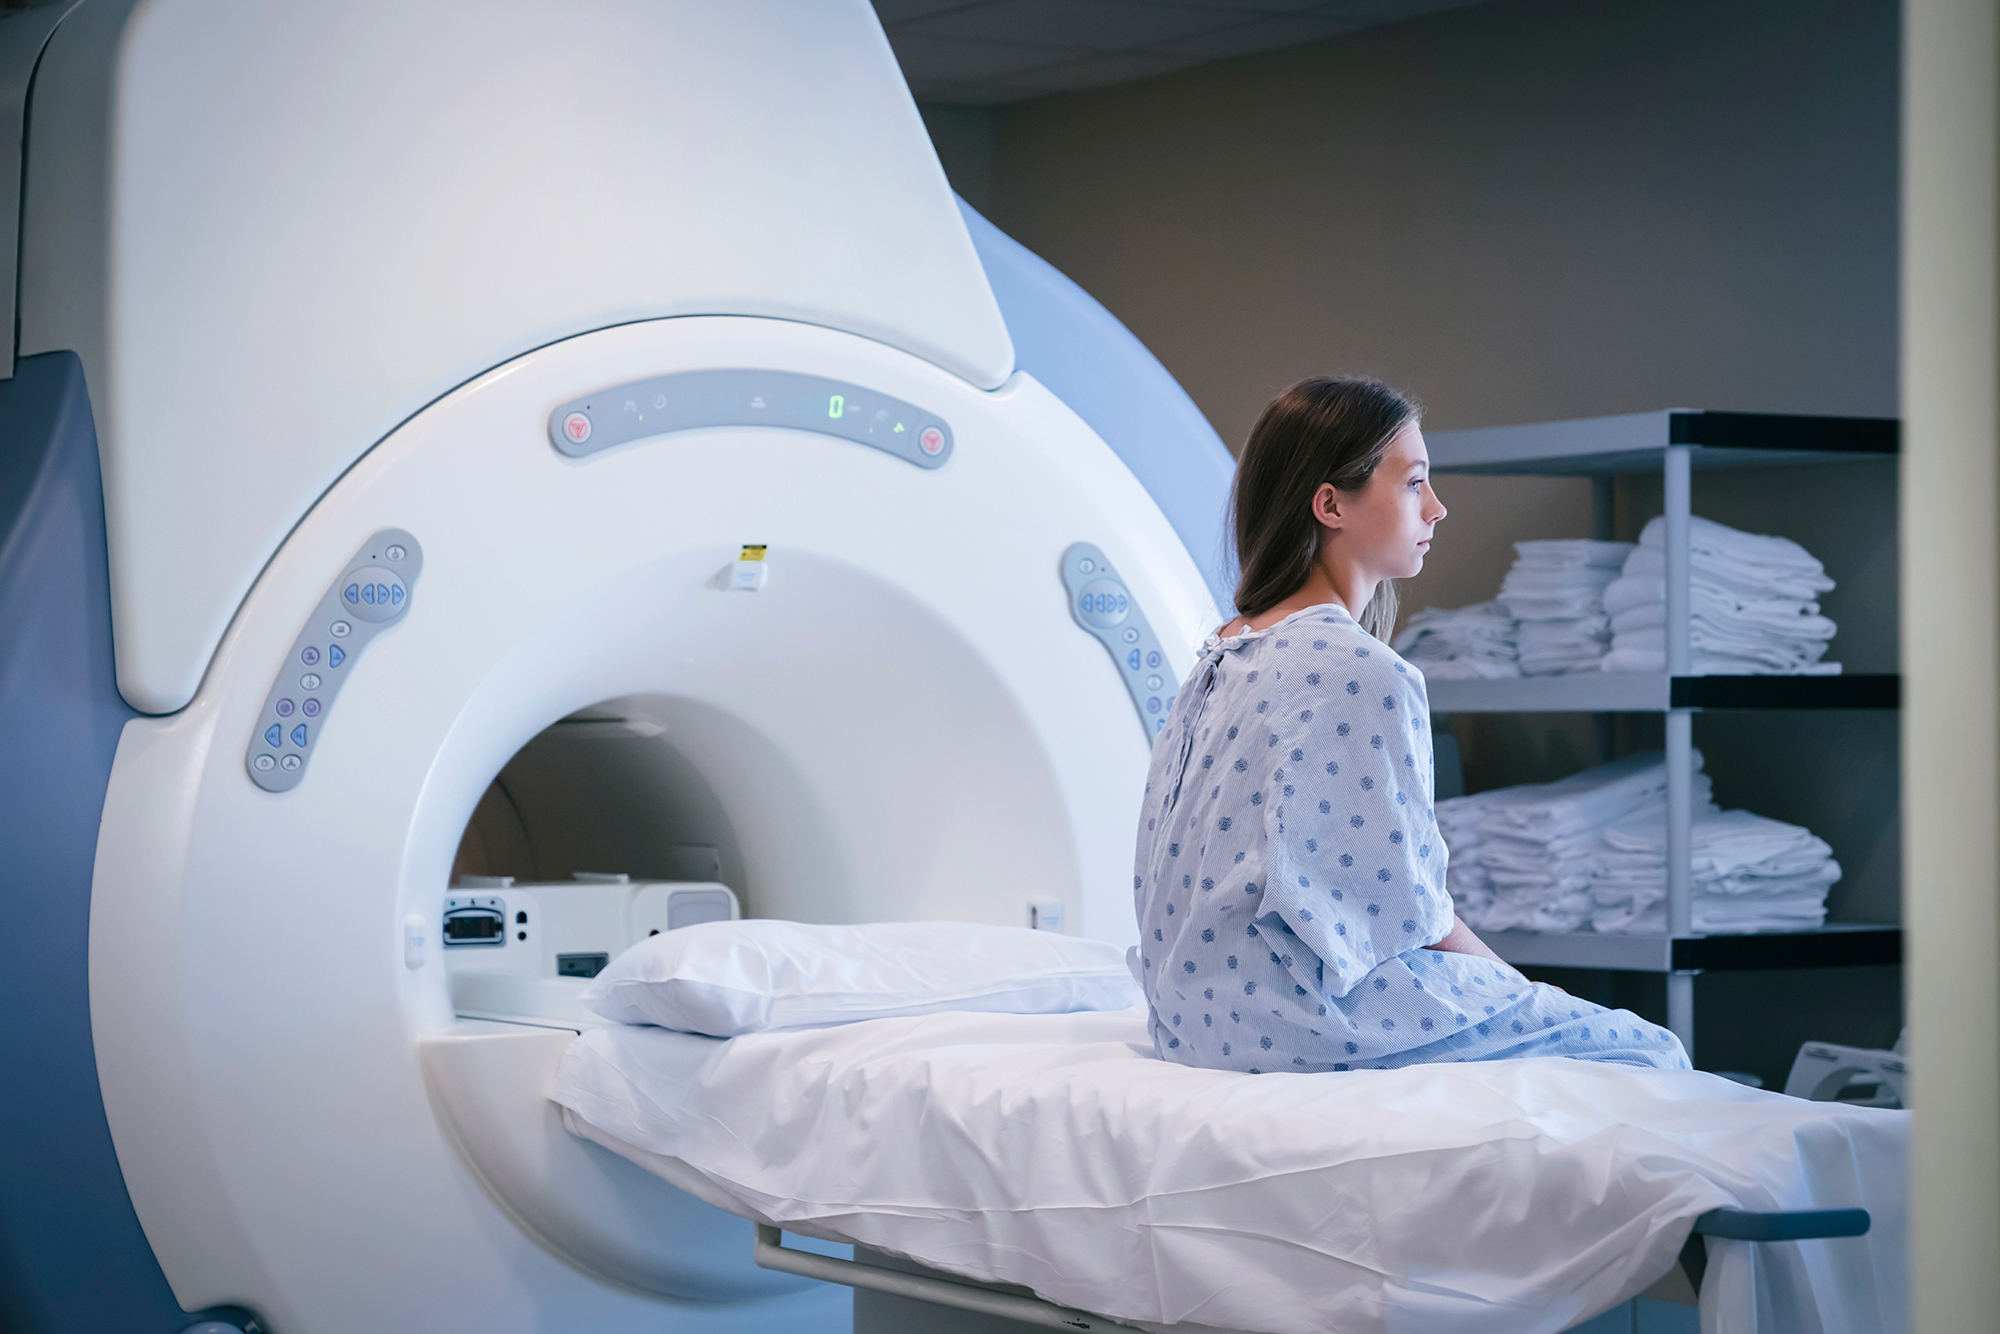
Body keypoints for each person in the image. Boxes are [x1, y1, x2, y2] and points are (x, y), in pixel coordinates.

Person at [1132, 376, 1687, 1073]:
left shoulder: (1221, 653)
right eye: (1413, 484)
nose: (1437, 507)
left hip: (1191, 1017)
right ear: (1331, 503)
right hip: (1296, 1020)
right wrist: (1520, 992)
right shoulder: (1359, 672)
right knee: (1646, 1049)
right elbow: (1411, 919)